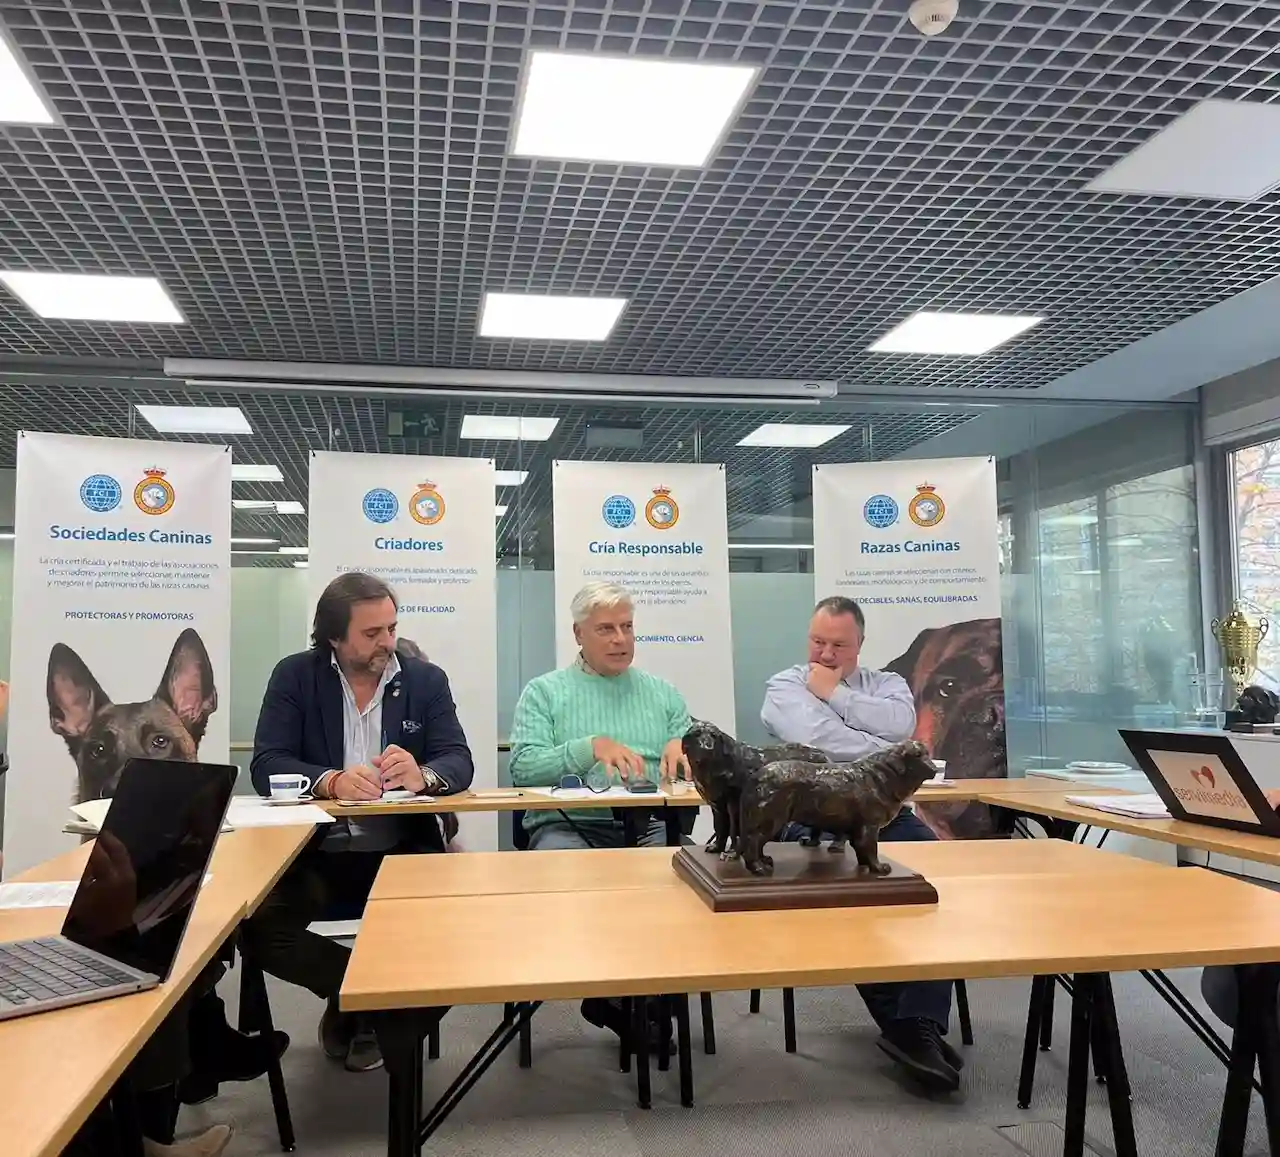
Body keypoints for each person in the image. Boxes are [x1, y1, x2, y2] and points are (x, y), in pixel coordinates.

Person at [241, 572, 474, 1073]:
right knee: (259, 929)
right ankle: (371, 1002)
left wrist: (424, 774)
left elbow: (458, 760)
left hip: (403, 853)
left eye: (391, 628)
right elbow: (267, 764)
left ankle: (367, 1010)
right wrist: (329, 781)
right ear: (333, 636)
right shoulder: (295, 677)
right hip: (317, 854)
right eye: (372, 634)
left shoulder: (424, 680)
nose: (387, 643)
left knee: (458, 931)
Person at [760, 595, 963, 1093]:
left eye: (838, 645)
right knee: (851, 896)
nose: (825, 655)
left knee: (930, 885)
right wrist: (885, 754)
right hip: (814, 819)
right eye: (817, 642)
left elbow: (901, 729)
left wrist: (837, 696)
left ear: (860, 645)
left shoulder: (888, 684)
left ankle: (912, 1026)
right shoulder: (784, 685)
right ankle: (914, 1028)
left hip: (883, 815)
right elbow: (817, 739)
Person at [509, 580, 691, 1041]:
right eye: (606, 629)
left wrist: (687, 745)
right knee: (580, 889)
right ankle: (622, 995)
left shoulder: (663, 694)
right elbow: (523, 767)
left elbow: (700, 758)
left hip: (650, 826)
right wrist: (590, 747)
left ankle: (638, 998)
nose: (621, 640)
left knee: (686, 887)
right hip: (568, 829)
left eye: (627, 627)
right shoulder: (544, 692)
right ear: (578, 635)